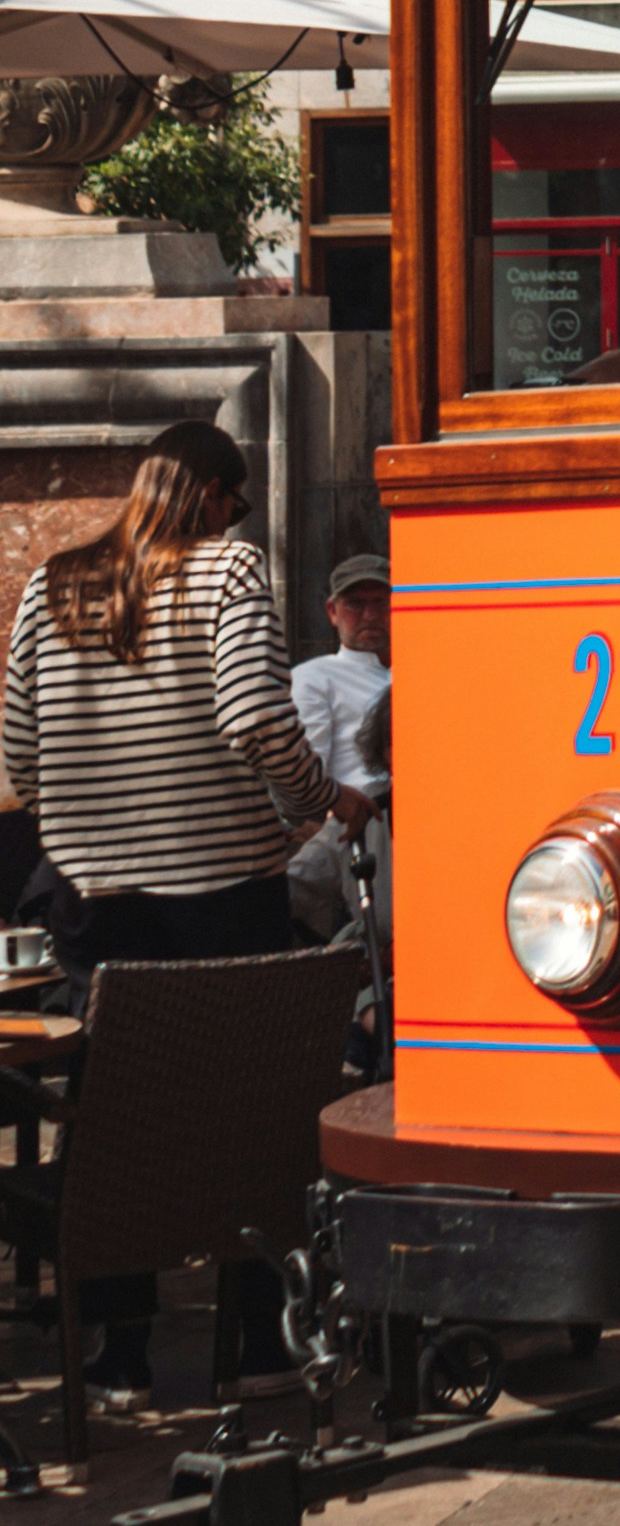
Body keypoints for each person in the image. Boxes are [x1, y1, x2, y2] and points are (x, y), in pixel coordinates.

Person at [1, 425, 345, 1417]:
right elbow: (252, 715)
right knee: (247, 1114)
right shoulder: (229, 567)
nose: (237, 521)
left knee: (115, 1120)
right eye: (234, 503)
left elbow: (20, 748)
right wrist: (317, 799)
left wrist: (82, 838)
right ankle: (254, 1345)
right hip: (221, 891)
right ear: (211, 495)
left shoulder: (51, 584)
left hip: (91, 901)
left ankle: (120, 1354)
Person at [287, 555, 390, 941]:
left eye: (380, 602)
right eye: (355, 604)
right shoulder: (315, 678)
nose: (369, 615)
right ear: (333, 612)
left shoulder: (423, 671)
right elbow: (310, 768)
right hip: (355, 821)